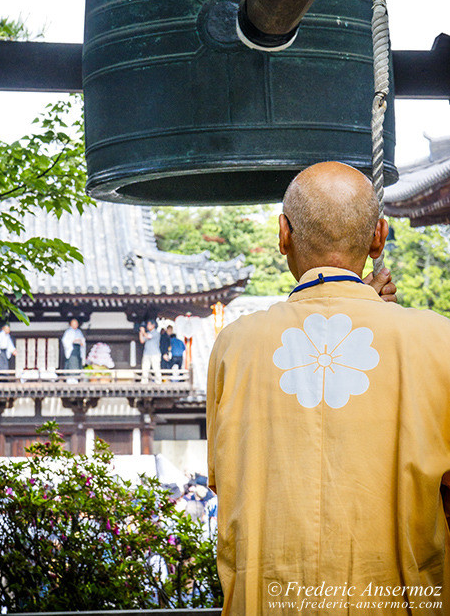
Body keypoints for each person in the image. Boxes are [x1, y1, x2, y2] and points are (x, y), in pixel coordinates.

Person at [207, 161, 450, 615]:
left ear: (283, 234)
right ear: (379, 235)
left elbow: (230, 488)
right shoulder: (440, 342)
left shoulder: (234, 346)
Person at [139, 319, 162, 383]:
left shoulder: (156, 333)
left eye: (149, 324)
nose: (147, 326)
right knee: (145, 368)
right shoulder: (147, 333)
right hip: (147, 353)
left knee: (156, 368)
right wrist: (141, 333)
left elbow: (149, 337)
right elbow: (142, 341)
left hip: (155, 353)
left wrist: (143, 332)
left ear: (153, 325)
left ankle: (158, 381)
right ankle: (144, 380)